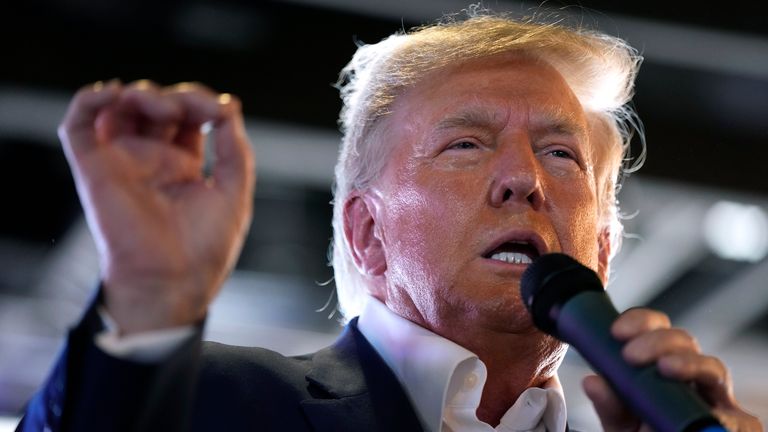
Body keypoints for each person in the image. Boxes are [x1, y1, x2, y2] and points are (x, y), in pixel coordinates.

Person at [17, 7, 762, 432]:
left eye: (561, 155)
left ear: (601, 250)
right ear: (367, 236)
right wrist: (148, 298)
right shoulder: (210, 406)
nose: (522, 180)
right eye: (466, 144)